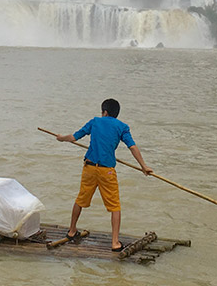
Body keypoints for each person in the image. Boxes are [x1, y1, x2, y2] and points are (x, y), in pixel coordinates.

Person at [55, 98, 153, 252]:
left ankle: (72, 231)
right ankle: (115, 243)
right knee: (115, 206)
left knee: (80, 200)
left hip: (89, 168)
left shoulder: (95, 122)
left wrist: (61, 138)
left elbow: (74, 137)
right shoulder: (122, 127)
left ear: (104, 112)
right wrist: (144, 166)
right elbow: (132, 147)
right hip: (107, 171)